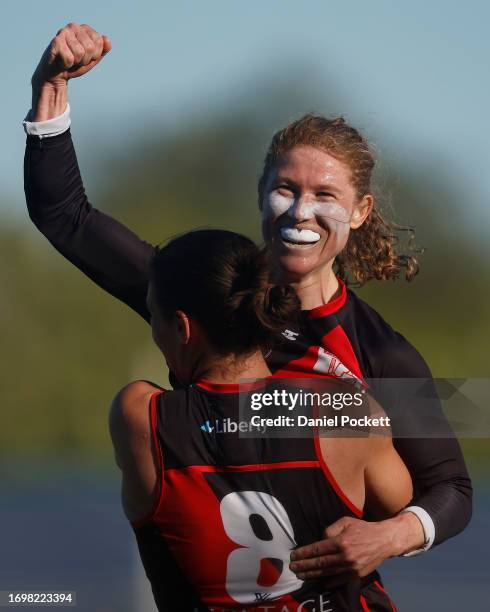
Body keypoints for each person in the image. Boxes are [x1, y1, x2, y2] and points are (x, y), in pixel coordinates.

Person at [23, 22, 472, 610]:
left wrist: (388, 536)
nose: (301, 212)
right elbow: (67, 218)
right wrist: (49, 86)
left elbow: (453, 490)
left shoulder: (381, 354)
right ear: (260, 191)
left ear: (361, 212)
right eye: (285, 188)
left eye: (326, 196)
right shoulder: (208, 289)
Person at [110, 228, 412, 611]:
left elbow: (62, 214)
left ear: (183, 328)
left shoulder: (139, 415)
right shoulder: (346, 410)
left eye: (154, 315)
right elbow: (403, 510)